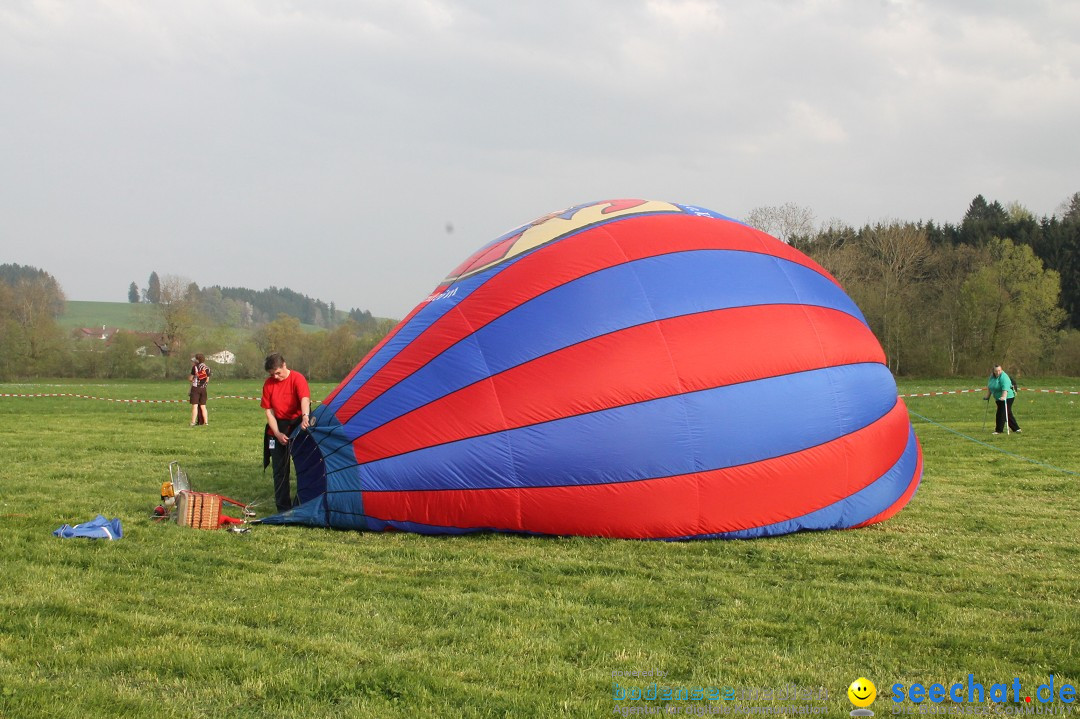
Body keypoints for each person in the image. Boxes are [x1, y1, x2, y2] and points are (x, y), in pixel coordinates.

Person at [261, 353, 311, 511]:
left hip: (298, 424)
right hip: (277, 427)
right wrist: (277, 433)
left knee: (305, 466)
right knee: (280, 471)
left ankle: (306, 503)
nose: (275, 377)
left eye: (277, 372)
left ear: (284, 365)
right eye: (272, 374)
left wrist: (305, 417)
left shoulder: (297, 378)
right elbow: (269, 412)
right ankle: (283, 507)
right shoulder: (268, 384)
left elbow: (304, 398)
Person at [985, 364, 1021, 435]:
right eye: (996, 371)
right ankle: (1016, 428)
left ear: (1001, 370)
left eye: (999, 371)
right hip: (998, 398)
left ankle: (998, 430)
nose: (998, 372)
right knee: (1007, 412)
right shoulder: (992, 377)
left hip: (1008, 397)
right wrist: (987, 396)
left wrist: (1003, 396)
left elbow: (1005, 388)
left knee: (1001, 413)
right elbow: (990, 386)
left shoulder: (1004, 377)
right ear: (993, 371)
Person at [189, 353, 211, 426]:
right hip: (204, 389)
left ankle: (192, 422)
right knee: (203, 406)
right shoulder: (207, 368)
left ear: (197, 360)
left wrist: (192, 379)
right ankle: (206, 422)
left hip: (195, 388)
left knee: (195, 406)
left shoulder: (195, 367)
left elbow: (190, 378)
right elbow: (207, 380)